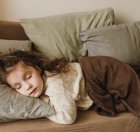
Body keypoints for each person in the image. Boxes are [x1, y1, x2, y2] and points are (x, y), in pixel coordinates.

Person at [0, 50, 140, 124]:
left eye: (28, 76)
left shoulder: (55, 83)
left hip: (101, 71)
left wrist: (45, 104)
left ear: (37, 68)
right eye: (18, 87)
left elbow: (67, 118)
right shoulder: (39, 84)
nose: (27, 86)